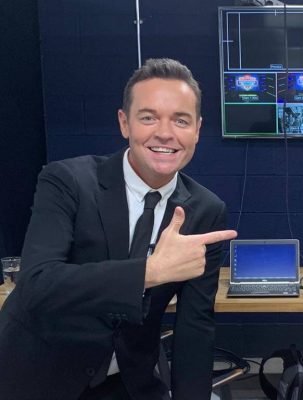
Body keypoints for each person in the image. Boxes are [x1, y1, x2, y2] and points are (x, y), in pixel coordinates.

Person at [0, 58, 237, 399]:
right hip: (36, 377)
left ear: (197, 129)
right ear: (124, 123)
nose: (165, 132)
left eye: (180, 120)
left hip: (127, 382)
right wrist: (149, 272)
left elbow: (195, 327)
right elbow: (38, 285)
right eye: (148, 117)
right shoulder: (67, 181)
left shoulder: (206, 211)